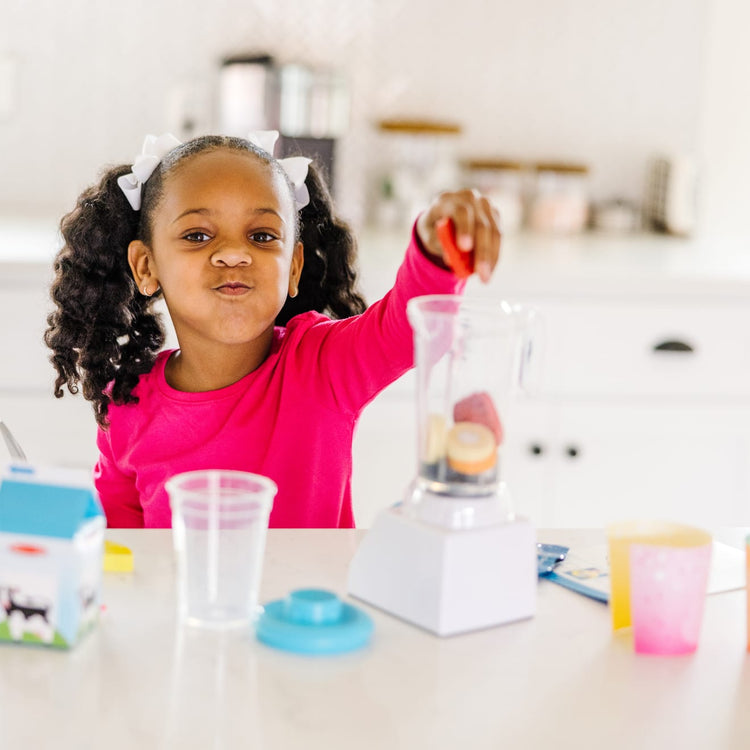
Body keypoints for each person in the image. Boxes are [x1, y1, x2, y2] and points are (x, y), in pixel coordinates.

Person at [44, 131, 501, 528]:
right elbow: (123, 553)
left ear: (294, 267)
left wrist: (436, 243)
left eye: (261, 236)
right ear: (147, 266)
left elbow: (405, 327)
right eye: (198, 235)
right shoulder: (127, 407)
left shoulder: (323, 368)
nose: (233, 254)